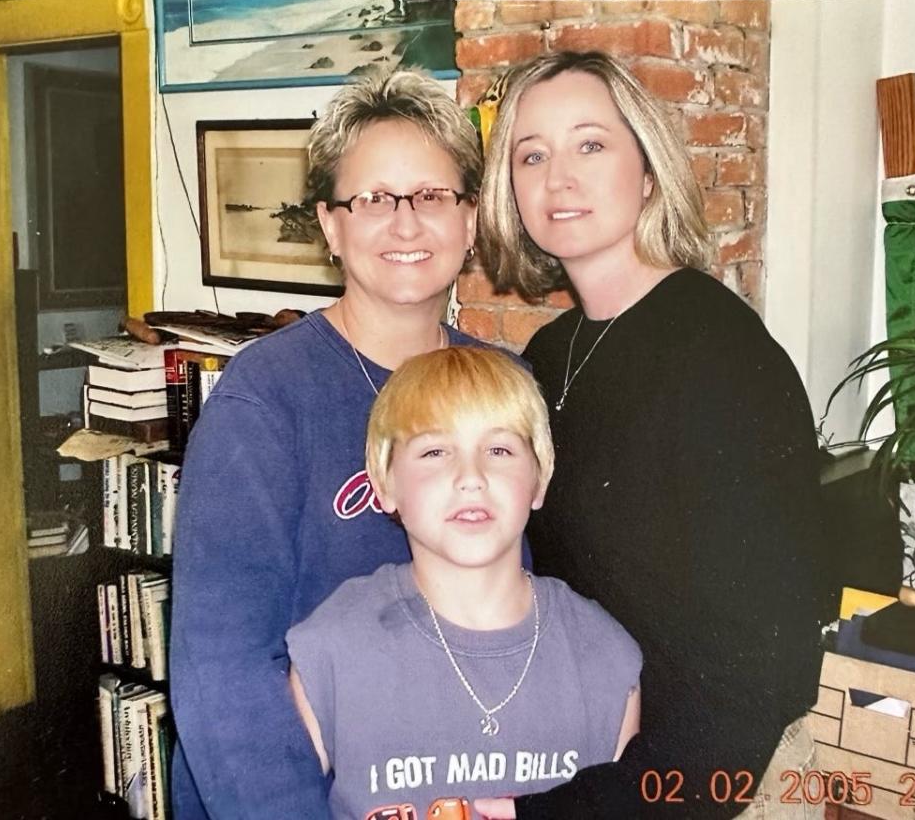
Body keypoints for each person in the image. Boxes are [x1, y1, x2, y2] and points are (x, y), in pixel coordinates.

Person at [475, 51, 827, 819]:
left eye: (590, 144)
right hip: (569, 748)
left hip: (663, 787)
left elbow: (764, 666)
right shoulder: (549, 353)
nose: (557, 176)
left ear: (648, 171)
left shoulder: (716, 353)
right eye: (531, 154)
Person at [170, 69, 492, 819]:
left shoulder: (501, 384)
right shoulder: (265, 400)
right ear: (330, 225)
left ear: (469, 220)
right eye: (373, 200)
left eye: (432, 196)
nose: (406, 225)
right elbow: (221, 670)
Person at [285, 346, 643, 820]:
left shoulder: (605, 658)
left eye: (499, 450)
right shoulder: (331, 650)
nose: (470, 477)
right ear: (384, 482)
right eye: (435, 451)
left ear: (539, 477)